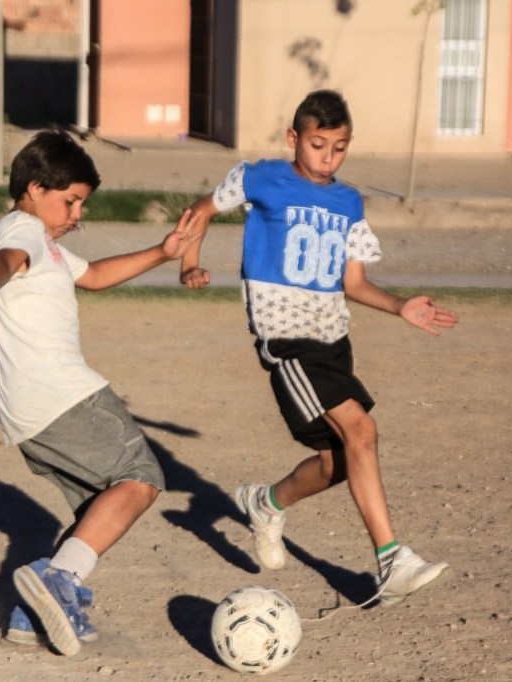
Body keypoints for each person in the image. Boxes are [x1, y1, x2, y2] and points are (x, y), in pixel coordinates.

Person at [179, 90, 458, 607]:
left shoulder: (348, 201)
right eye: (318, 144)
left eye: (340, 147)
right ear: (294, 138)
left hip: (333, 340)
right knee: (362, 430)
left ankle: (265, 502)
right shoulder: (262, 178)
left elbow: (353, 282)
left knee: (342, 462)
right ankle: (391, 560)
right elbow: (199, 210)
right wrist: (188, 263)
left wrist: (399, 306)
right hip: (287, 343)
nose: (328, 157)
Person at [0, 130, 200, 656]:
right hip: (63, 394)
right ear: (36, 188)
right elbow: (3, 262)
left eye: (82, 203)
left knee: (97, 507)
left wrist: (162, 250)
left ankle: (29, 613)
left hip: (27, 412)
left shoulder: (49, 246)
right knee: (141, 478)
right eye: (71, 200)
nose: (77, 213)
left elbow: (98, 274)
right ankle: (58, 582)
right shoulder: (24, 231)